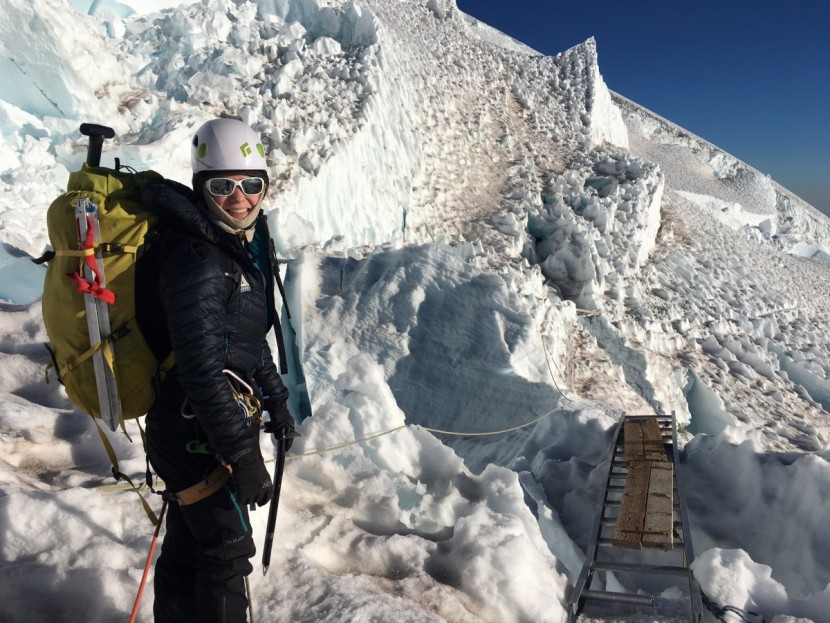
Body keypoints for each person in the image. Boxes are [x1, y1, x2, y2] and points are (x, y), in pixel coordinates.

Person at [139, 117, 295, 623]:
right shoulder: (200, 261)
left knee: (191, 547)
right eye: (222, 186)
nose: (239, 198)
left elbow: (245, 342)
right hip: (192, 433)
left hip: (197, 429)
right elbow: (202, 372)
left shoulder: (232, 248)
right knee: (226, 553)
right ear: (201, 187)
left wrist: (277, 401)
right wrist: (243, 456)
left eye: (251, 184)